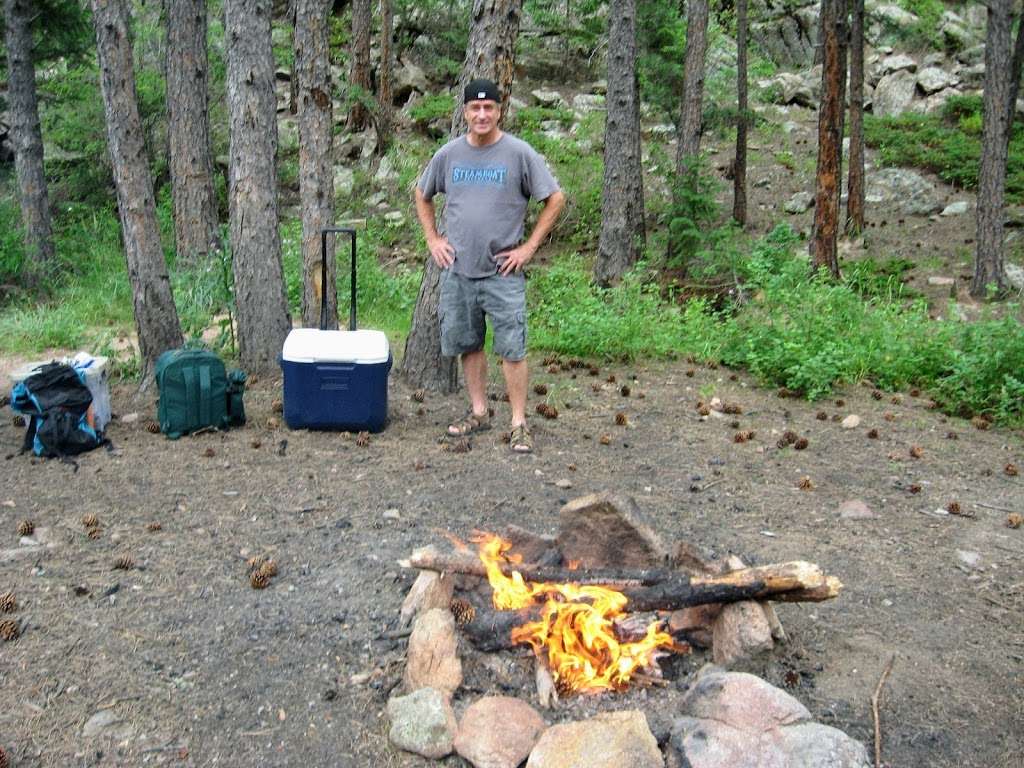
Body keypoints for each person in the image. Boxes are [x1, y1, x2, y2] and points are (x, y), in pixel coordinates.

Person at [415, 77, 565, 454]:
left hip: (503, 271)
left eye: (489, 108)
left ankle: (519, 423)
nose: (482, 114)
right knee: (469, 344)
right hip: (459, 269)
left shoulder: (518, 153)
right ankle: (479, 412)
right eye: (475, 108)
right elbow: (422, 193)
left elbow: (555, 198)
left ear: (499, 111)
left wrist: (529, 247)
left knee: (512, 349)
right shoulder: (448, 155)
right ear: (464, 112)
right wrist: (433, 239)